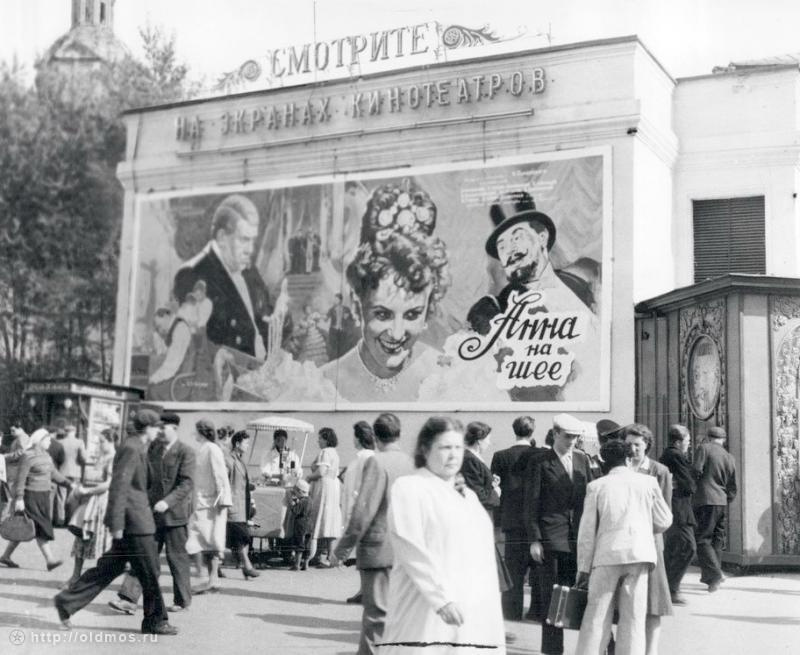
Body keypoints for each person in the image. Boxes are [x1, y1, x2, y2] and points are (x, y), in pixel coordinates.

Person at [379, 416, 505, 654]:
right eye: (445, 447)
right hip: (426, 607)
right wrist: (441, 599)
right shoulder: (410, 488)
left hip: (470, 610)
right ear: (425, 450)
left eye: (458, 447)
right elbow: (410, 547)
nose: (453, 455)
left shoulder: (468, 497)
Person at [320, 181, 450, 402]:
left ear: (428, 310)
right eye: (382, 314)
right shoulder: (324, 384)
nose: (397, 334)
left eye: (412, 315)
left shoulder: (446, 377)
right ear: (357, 303)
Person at [466, 190, 599, 401]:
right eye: (501, 246)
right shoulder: (498, 312)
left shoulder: (583, 289)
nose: (509, 250)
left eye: (516, 237)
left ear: (542, 237)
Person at [54, 409, 177, 635]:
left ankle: (66, 602)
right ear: (146, 428)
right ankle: (155, 621)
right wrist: (117, 525)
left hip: (135, 522)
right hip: (135, 524)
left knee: (109, 568)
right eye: (155, 427)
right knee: (150, 571)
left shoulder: (139, 447)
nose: (158, 430)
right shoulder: (131, 448)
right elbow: (119, 488)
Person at [574, 440, 673, 655]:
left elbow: (587, 532)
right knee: (634, 618)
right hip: (640, 555)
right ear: (629, 458)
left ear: (603, 460)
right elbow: (665, 519)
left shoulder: (596, 486)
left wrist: (583, 567)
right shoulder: (648, 483)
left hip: (606, 555)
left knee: (597, 616)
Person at [331, 413, 414, 655]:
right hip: (404, 549)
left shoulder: (377, 463)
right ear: (399, 434)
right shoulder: (411, 463)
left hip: (378, 549)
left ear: (376, 437)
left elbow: (363, 511)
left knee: (376, 618)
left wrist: (342, 549)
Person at [173, 193, 288, 360]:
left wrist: (283, 322)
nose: (251, 249)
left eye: (253, 241)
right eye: (244, 240)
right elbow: (192, 348)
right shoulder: (191, 276)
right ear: (222, 238)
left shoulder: (249, 272)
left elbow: (262, 326)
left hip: (258, 376)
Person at [109, 411, 196, 615]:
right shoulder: (153, 449)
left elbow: (187, 483)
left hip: (175, 515)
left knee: (177, 559)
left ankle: (182, 600)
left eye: (162, 428)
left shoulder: (186, 452)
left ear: (174, 429)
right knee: (143, 556)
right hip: (151, 515)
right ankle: (128, 599)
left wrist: (168, 502)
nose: (158, 431)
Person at [523, 413, 594, 655]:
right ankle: (553, 650)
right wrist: (534, 539)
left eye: (575, 437)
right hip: (550, 537)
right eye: (567, 437)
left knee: (579, 595)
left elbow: (590, 498)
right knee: (552, 597)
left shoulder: (582, 460)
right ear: (555, 434)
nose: (572, 441)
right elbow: (530, 502)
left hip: (577, 538)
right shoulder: (539, 462)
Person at [624, 423, 674, 655]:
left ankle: (651, 651)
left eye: (637, 445)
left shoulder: (659, 471)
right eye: (629, 445)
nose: (633, 450)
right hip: (624, 543)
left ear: (647, 446)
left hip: (650, 542)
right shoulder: (619, 469)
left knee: (653, 603)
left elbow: (664, 513)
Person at [0, 428, 75, 570]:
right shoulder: (28, 456)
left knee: (25, 526)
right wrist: (20, 498)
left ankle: (5, 556)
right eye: (47, 440)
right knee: (40, 526)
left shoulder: (47, 456)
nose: (49, 442)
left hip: (43, 496)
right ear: (40, 440)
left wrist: (69, 484)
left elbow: (55, 475)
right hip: (30, 496)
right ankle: (50, 560)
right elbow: (21, 479)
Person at [491, 415, 540, 622]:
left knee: (513, 570)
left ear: (514, 430)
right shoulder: (540, 455)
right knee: (538, 571)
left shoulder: (500, 456)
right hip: (536, 520)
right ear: (532, 432)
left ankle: (511, 612)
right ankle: (537, 610)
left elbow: (496, 487)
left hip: (511, 521)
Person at [64, 428, 116, 587]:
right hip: (89, 499)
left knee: (101, 539)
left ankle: (98, 579)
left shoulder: (114, 458)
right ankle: (75, 576)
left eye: (102, 442)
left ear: (111, 441)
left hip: (102, 501)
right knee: (81, 535)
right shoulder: (100, 457)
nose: (99, 445)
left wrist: (88, 490)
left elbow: (108, 484)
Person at [185, 419, 232, 594]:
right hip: (203, 501)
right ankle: (212, 579)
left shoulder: (212, 449)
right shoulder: (204, 449)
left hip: (211, 503)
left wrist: (222, 500)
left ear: (202, 432)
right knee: (209, 541)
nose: (194, 434)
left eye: (196, 431)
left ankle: (203, 577)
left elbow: (220, 476)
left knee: (197, 540)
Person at [692, 426, 737, 592]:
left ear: (708, 437)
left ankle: (715, 574)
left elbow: (696, 470)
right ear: (723, 439)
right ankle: (713, 581)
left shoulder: (704, 448)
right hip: (722, 501)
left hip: (705, 499)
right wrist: (725, 498)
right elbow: (733, 486)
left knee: (702, 539)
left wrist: (694, 488)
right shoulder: (729, 457)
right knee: (717, 539)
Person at [659, 424, 697, 605]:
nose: (689, 444)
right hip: (679, 508)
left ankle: (666, 587)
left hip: (675, 506)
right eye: (687, 441)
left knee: (674, 548)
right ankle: (672, 588)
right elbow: (690, 485)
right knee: (687, 547)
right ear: (678, 441)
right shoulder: (676, 455)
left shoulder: (669, 455)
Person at [340, 420, 376, 603]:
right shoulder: (361, 457)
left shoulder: (366, 458)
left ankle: (366, 591)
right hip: (356, 507)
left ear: (359, 437)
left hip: (360, 510)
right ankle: (364, 589)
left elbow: (363, 486)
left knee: (364, 553)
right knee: (361, 553)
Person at [307, 427, 342, 566]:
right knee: (329, 520)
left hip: (324, 487)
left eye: (320, 438)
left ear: (326, 440)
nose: (318, 440)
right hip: (333, 487)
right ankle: (329, 556)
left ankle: (318, 555)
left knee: (321, 518)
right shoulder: (335, 453)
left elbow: (321, 472)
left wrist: (309, 477)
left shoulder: (325, 452)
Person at [227, 429, 259, 579]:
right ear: (237, 443)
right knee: (242, 536)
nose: (247, 446)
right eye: (246, 443)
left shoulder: (240, 460)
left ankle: (245, 566)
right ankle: (247, 566)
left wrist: (250, 485)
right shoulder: (229, 460)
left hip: (242, 505)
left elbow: (241, 481)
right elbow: (223, 481)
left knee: (241, 537)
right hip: (233, 505)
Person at [52, 421, 86, 527]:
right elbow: (83, 458)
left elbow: (57, 458)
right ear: (74, 431)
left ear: (65, 432)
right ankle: (70, 520)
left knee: (61, 497)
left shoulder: (60, 442)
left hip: (62, 472)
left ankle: (60, 520)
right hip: (75, 473)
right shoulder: (79, 442)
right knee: (73, 497)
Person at [284, 479, 313, 570]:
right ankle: (306, 564)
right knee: (307, 545)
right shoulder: (310, 500)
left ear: (300, 491)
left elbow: (295, 511)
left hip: (301, 525)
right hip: (309, 525)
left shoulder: (302, 501)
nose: (294, 494)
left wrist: (292, 503)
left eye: (295, 492)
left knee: (299, 544)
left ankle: (296, 565)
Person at [326, 292, 356, 361]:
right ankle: (333, 361)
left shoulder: (346, 309)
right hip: (333, 331)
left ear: (340, 300)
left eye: (336, 299)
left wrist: (349, 318)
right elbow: (326, 318)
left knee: (343, 348)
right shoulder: (331, 309)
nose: (334, 301)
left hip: (343, 331)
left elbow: (350, 320)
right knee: (333, 348)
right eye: (334, 299)